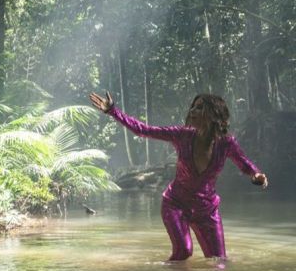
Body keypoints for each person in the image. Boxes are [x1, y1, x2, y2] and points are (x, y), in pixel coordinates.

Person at [88, 92, 268, 261]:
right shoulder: (182, 135)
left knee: (218, 262)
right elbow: (143, 130)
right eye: (193, 107)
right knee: (184, 252)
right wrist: (113, 111)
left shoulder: (227, 143)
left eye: (199, 107)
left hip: (207, 210)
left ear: (214, 114)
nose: (193, 111)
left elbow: (244, 163)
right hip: (175, 205)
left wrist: (256, 174)